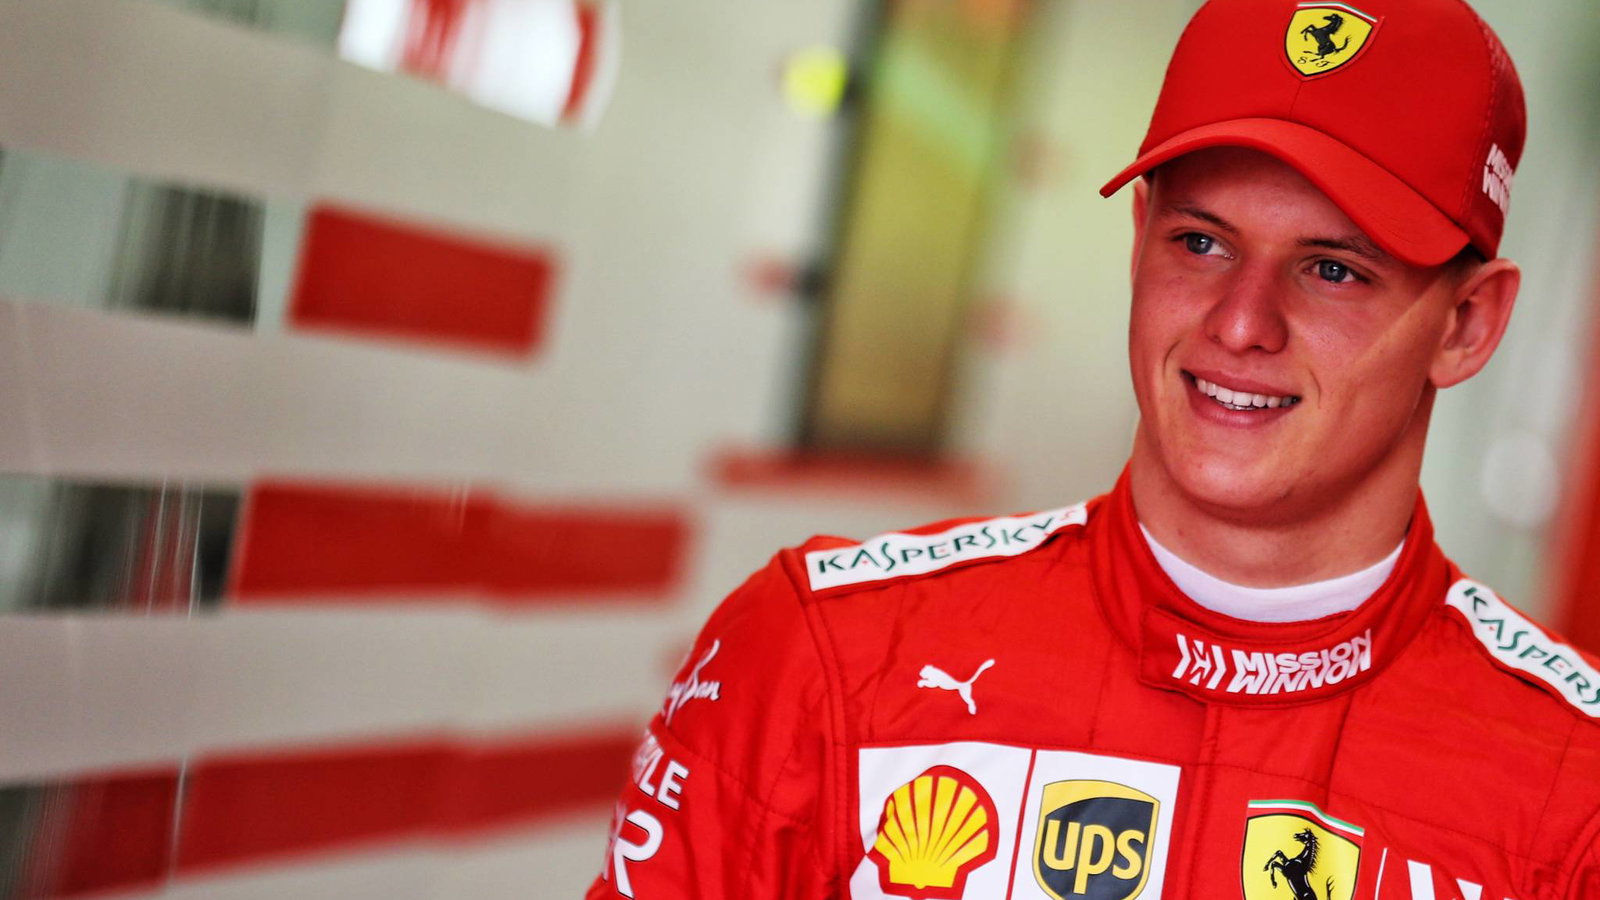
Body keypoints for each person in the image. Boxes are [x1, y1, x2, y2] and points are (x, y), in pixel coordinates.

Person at [588, 0, 1600, 897]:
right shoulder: (823, 654)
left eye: (1332, 270)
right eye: (1200, 243)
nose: (1240, 323)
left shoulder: (1576, 789)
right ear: (1139, 239)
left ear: (1467, 324)